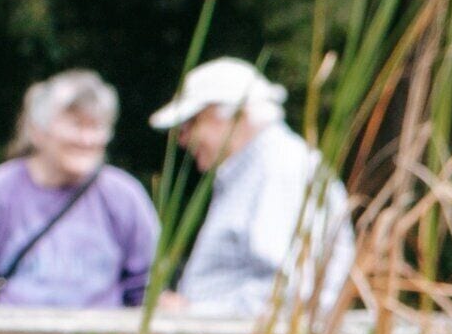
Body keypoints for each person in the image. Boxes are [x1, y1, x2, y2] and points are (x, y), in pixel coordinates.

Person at [152, 57, 355, 320]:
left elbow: (292, 288)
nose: (182, 139)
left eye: (190, 124)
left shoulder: (280, 168)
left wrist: (195, 314)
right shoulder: (255, 168)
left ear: (234, 116)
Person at [0, 71, 159, 308]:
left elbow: (148, 284)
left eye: (96, 127)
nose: (86, 139)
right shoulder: (0, 190)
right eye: (75, 125)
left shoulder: (123, 195)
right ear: (37, 132)